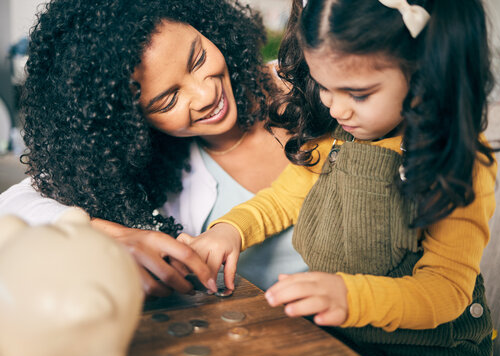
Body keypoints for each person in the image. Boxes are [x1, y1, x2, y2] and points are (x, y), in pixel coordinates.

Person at [181, 0, 500, 356]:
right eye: (324, 86)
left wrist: (349, 296)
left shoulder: (459, 157)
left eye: (359, 94)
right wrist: (230, 230)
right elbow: (284, 198)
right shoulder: (336, 131)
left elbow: (446, 290)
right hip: (345, 339)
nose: (336, 108)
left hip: (434, 349)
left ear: (426, 72)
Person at [0, 0, 307, 296]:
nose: (205, 95)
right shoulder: (163, 163)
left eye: (198, 58)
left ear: (205, 27)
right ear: (130, 122)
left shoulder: (318, 84)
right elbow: (13, 205)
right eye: (168, 100)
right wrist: (117, 235)